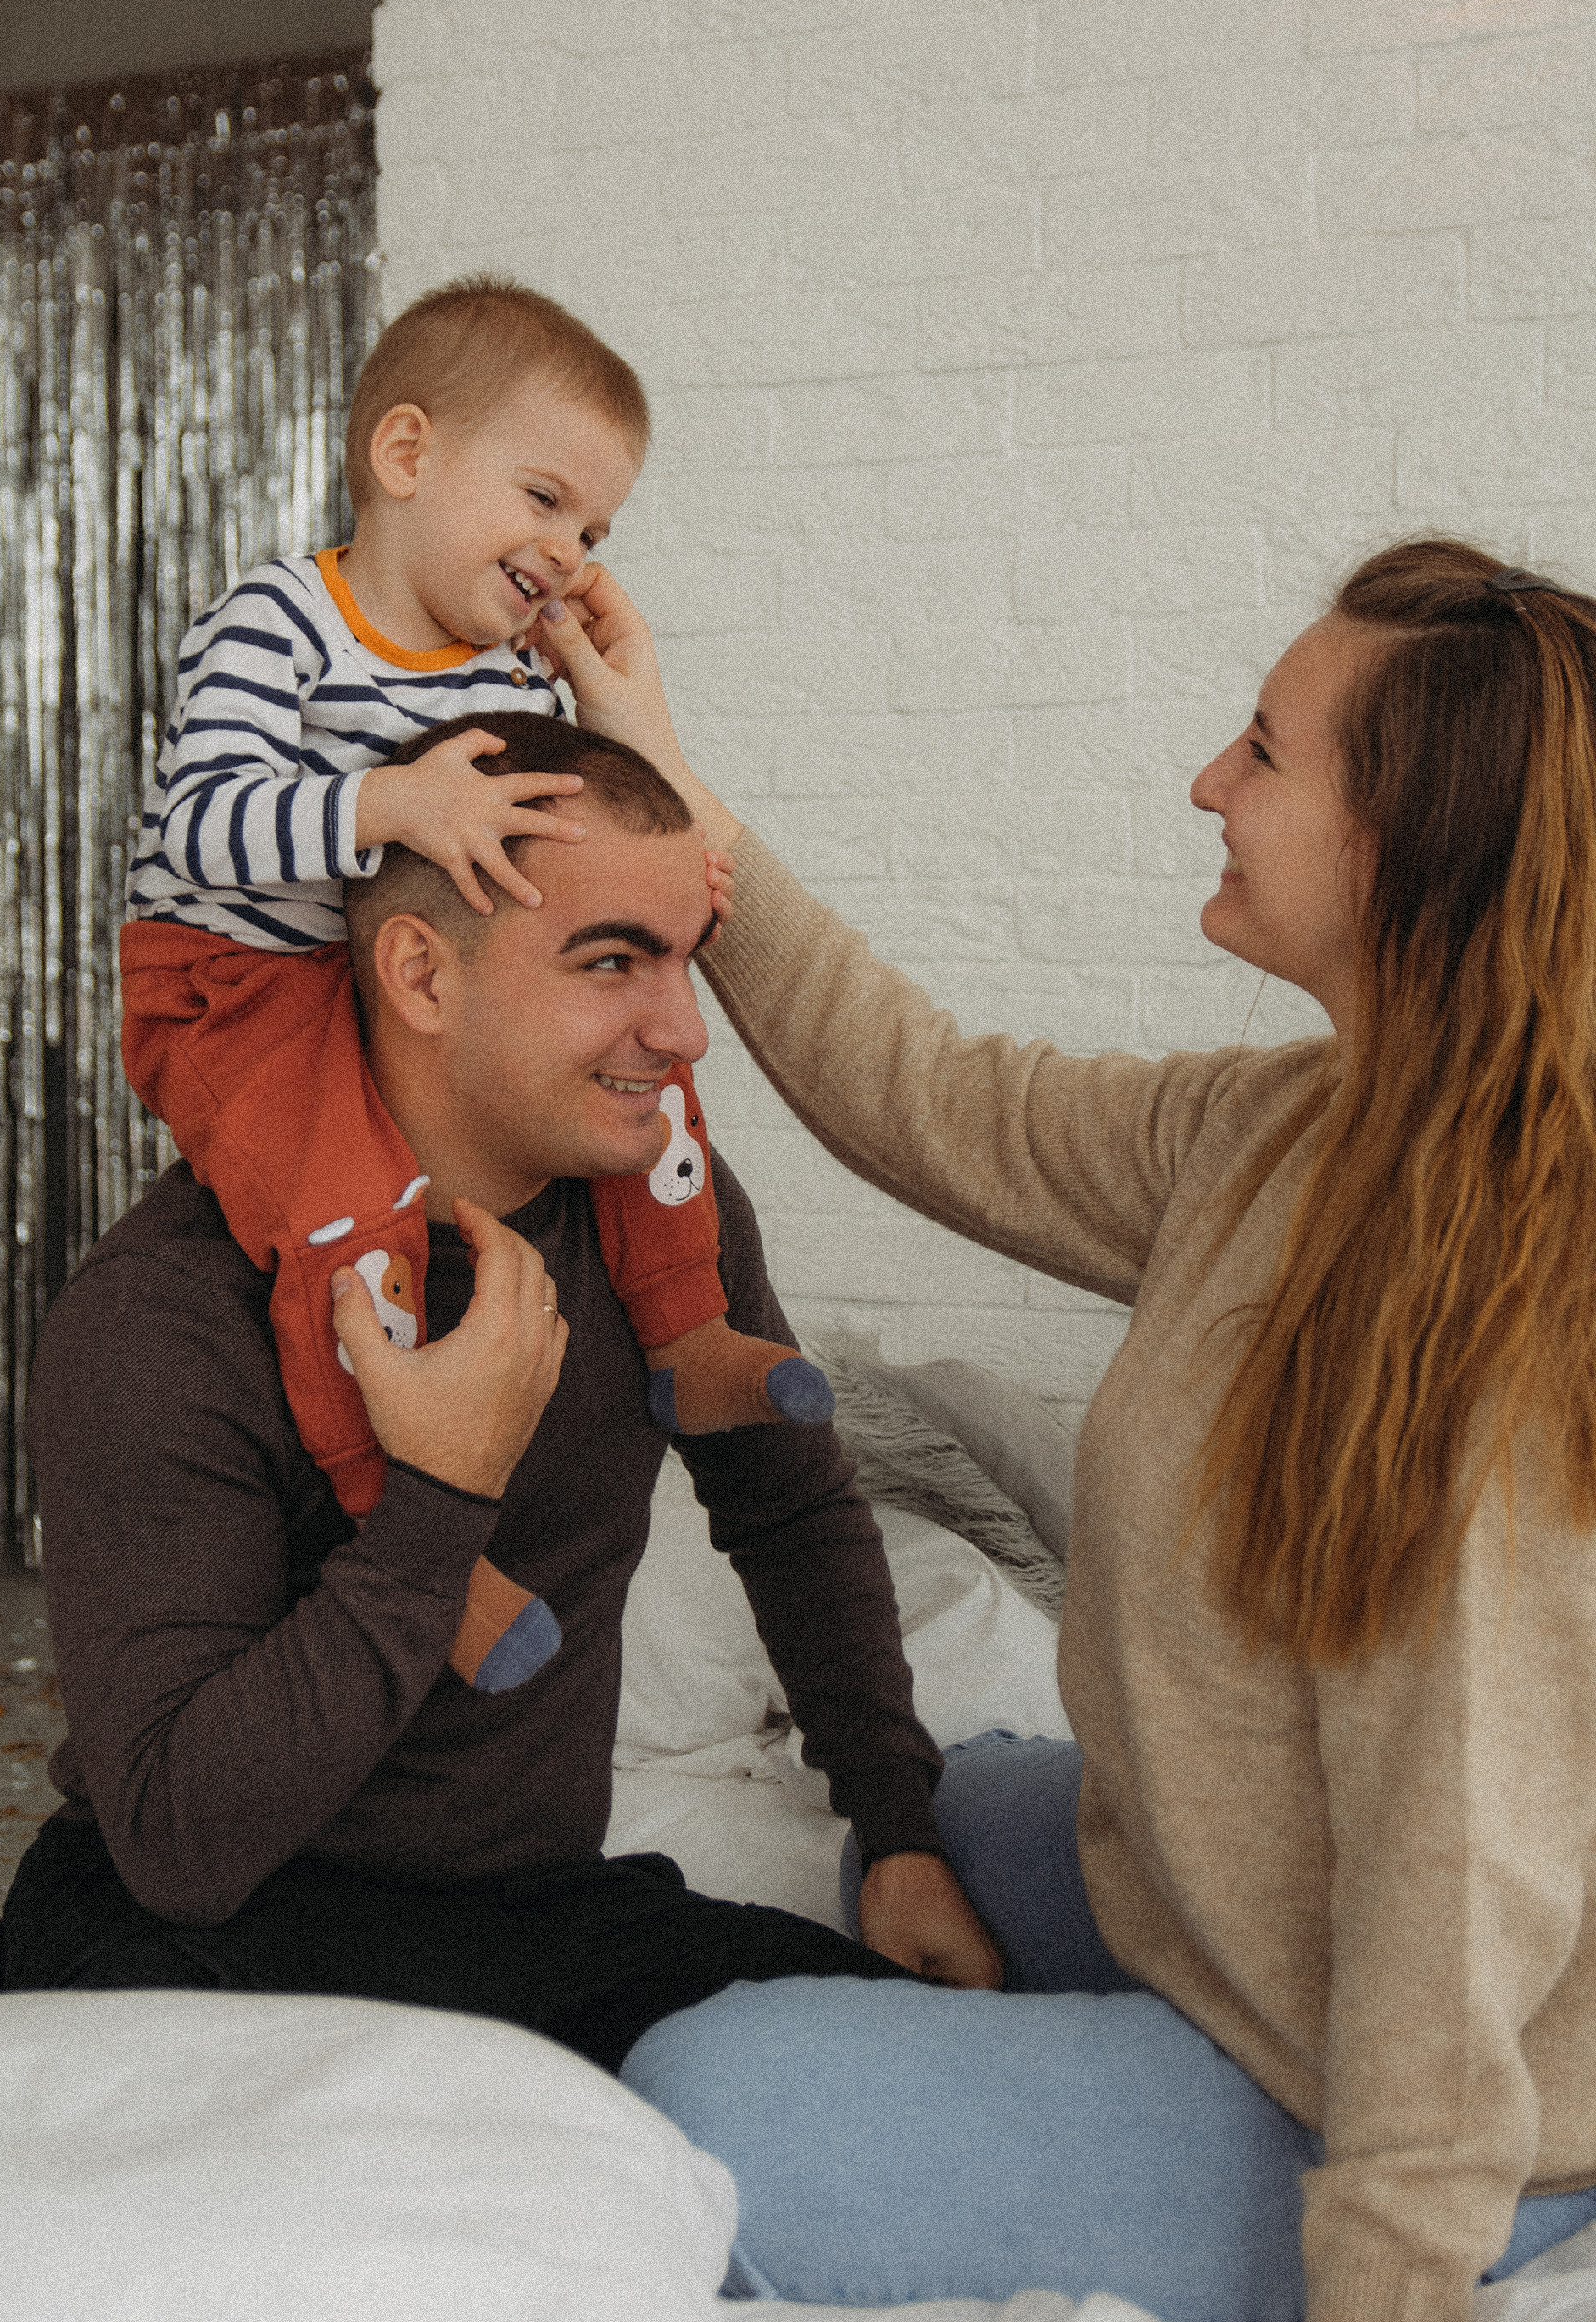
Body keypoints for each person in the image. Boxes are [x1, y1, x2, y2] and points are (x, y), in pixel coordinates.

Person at [533, 543, 1596, 2319]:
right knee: (931, 1815)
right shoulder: (1278, 1132)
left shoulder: (1500, 1327)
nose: (1207, 780)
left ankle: (1513, 2218)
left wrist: (1403, 2258)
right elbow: (928, 1095)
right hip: (1264, 1927)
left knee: (707, 2106)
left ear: (1405, 843)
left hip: (1436, 2093)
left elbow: (1455, 1870)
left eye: (1263, 750)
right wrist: (661, 771)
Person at [0, 714, 1005, 2061]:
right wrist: (438, 1495)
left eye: (684, 962)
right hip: (196, 1946)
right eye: (611, 963)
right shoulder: (163, 1315)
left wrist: (898, 1829)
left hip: (524, 1916)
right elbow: (180, 1842)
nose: (684, 1031)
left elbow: (792, 1513)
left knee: (910, 2061)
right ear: (419, 971)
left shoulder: (665, 1226)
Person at [119, 276, 831, 1651]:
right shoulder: (285, 622)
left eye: (599, 528)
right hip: (233, 974)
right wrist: (393, 805)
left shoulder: (515, 676)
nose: (571, 551)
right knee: (341, 1220)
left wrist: (657, 813)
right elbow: (197, 825)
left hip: (377, 974)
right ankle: (413, 1527)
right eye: (546, 500)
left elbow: (566, 857)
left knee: (651, 1083)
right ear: (405, 456)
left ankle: (685, 1338)